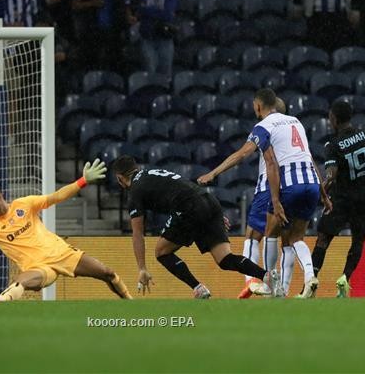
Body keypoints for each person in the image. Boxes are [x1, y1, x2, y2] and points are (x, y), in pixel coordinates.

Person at [0, 159, 133, 301]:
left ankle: (130, 302)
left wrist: (82, 181)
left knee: (107, 272)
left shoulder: (24, 204)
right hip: (39, 268)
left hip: (64, 254)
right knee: (21, 281)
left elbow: (56, 197)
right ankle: (0, 301)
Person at [112, 155, 272, 299]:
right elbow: (183, 186)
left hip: (188, 208)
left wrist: (142, 268)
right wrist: (210, 213)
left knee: (161, 252)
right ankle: (267, 277)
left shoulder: (134, 192)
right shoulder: (150, 173)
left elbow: (138, 233)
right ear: (136, 168)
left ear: (120, 178)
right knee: (224, 259)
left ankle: (198, 288)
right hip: (208, 200)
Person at [197, 93, 288, 298]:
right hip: (293, 185)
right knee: (288, 240)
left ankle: (254, 281)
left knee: (253, 235)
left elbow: (241, 154)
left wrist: (213, 173)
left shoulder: (266, 128)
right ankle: (282, 283)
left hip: (269, 187)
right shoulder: (291, 129)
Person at [248, 88, 331, 298]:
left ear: (260, 106)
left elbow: (271, 164)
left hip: (288, 184)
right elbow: (309, 156)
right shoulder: (296, 122)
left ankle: (269, 283)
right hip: (310, 183)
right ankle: (309, 276)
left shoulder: (265, 126)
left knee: (271, 234)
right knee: (296, 238)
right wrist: (323, 192)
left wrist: (275, 199)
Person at [310, 100, 365, 298]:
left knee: (323, 238)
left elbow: (331, 176)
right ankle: (345, 279)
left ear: (333, 118)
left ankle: (312, 281)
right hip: (363, 198)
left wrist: (322, 194)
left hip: (340, 200)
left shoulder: (333, 145)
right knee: (358, 241)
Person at [134, 0, 176, 78]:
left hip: (164, 38)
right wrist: (154, 11)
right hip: (147, 37)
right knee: (150, 74)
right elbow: (140, 10)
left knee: (165, 75)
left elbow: (167, 15)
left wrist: (148, 10)